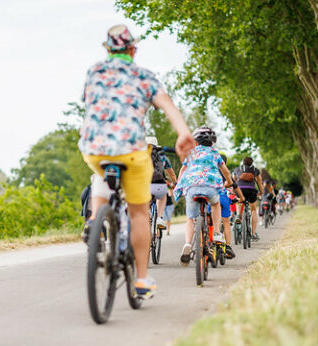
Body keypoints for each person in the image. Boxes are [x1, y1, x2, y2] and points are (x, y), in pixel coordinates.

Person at [79, 24, 194, 300]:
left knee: (99, 175)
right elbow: (168, 106)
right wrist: (183, 133)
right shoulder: (144, 76)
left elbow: (88, 102)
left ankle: (95, 220)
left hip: (95, 149)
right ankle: (142, 279)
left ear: (107, 49)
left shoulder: (94, 72)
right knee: (140, 214)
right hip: (132, 151)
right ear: (133, 49)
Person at [174, 127, 235, 265]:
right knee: (215, 204)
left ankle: (188, 244)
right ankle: (217, 234)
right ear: (212, 142)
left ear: (195, 142)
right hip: (210, 187)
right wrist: (229, 182)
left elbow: (183, 169)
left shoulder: (191, 153)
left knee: (190, 218)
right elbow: (225, 171)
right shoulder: (215, 153)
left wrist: (179, 184)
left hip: (192, 187)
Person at [147, 136, 177, 230]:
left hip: (144, 186)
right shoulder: (163, 157)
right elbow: (171, 174)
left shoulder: (140, 156)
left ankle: (147, 213)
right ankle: (159, 218)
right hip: (159, 185)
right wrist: (175, 183)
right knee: (162, 196)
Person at [219, 153, 244, 257]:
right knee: (226, 222)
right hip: (222, 198)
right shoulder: (226, 173)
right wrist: (242, 198)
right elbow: (236, 186)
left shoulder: (209, 170)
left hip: (209, 197)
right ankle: (228, 246)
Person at [233, 157, 263, 240]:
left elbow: (233, 181)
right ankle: (253, 234)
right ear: (252, 163)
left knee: (239, 202)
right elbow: (259, 182)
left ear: (243, 162)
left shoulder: (237, 169)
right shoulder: (255, 170)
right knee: (253, 210)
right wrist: (261, 192)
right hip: (251, 190)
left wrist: (233, 191)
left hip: (240, 189)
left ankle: (239, 215)